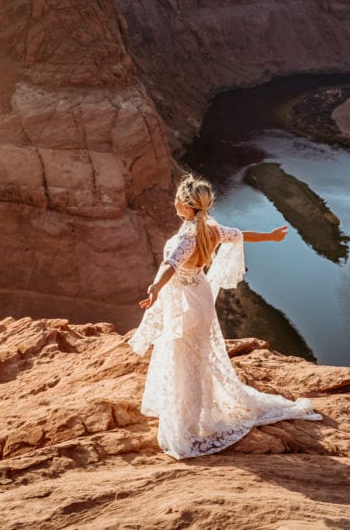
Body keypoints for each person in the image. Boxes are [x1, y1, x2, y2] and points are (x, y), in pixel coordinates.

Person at [129, 174, 323, 459]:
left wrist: (156, 287)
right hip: (201, 299)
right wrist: (270, 235)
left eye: (176, 198)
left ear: (185, 205)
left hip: (185, 304)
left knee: (184, 362)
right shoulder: (212, 229)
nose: (173, 201)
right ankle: (192, 416)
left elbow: (171, 265)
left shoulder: (187, 237)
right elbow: (243, 235)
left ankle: (188, 426)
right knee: (196, 360)